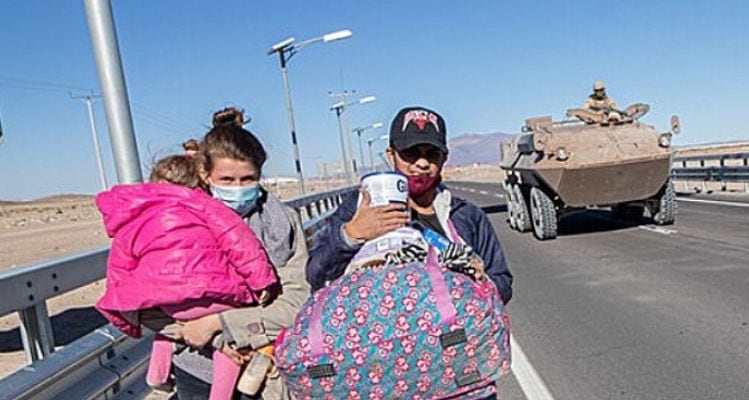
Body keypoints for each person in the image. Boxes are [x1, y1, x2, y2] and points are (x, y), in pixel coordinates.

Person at [95, 154, 279, 400]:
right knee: (228, 348)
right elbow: (237, 240)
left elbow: (120, 267)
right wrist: (261, 280)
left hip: (170, 306)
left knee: (169, 329)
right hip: (215, 294)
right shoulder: (201, 203)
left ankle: (157, 376)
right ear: (198, 183)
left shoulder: (132, 217)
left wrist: (122, 314)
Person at [307, 106, 512, 304]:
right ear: (391, 155)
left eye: (432, 154)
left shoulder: (467, 216)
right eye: (411, 153)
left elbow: (502, 280)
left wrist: (475, 285)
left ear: (444, 159)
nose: (422, 163)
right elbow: (315, 274)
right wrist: (351, 235)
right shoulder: (358, 208)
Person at [173, 108, 311, 400]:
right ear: (204, 174)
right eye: (227, 180)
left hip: (268, 371)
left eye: (248, 179)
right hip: (199, 370)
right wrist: (206, 338)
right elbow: (154, 296)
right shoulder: (179, 221)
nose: (238, 189)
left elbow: (295, 301)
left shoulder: (283, 222)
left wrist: (219, 325)